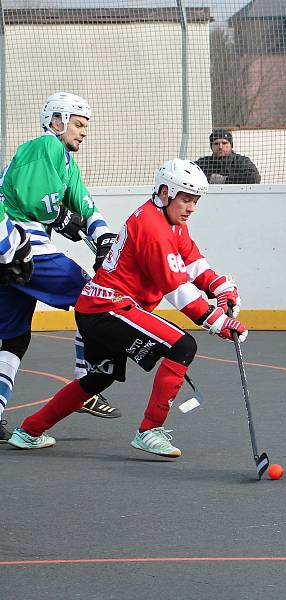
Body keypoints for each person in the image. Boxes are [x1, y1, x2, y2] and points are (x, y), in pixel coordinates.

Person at [7, 158, 249, 457]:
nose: (191, 208)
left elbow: (193, 261)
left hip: (97, 308)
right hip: (110, 308)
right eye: (186, 199)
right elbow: (176, 289)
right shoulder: (153, 228)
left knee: (99, 376)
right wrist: (216, 321)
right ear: (164, 193)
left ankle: (28, 431)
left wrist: (219, 287)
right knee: (182, 346)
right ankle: (149, 430)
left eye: (195, 201)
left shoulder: (170, 223)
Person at [0, 92, 120, 444]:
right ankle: (86, 385)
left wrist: (105, 238)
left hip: (11, 253)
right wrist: (62, 216)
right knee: (93, 295)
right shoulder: (44, 147)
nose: (84, 132)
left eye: (86, 126)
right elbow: (33, 201)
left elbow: (85, 205)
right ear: (56, 121)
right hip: (22, 242)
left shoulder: (66, 163)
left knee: (14, 337)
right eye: (78, 124)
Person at [196, 128, 261, 184]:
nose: (220, 147)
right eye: (216, 144)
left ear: (231, 145)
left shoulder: (241, 161)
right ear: (211, 147)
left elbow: (254, 178)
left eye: (224, 143)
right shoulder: (203, 163)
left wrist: (221, 180)